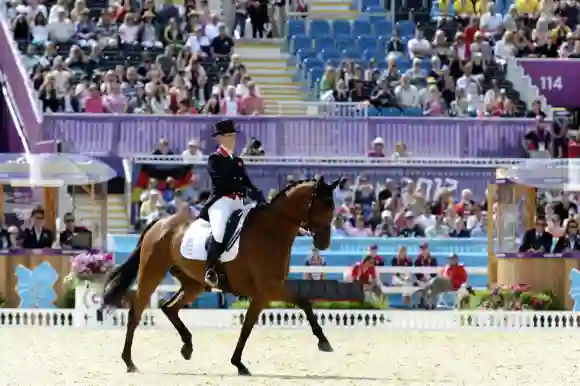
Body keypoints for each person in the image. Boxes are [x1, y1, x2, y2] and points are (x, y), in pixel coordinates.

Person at [198, 119, 266, 286]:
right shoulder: (214, 158)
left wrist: (261, 199)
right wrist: (238, 177)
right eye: (228, 137)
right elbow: (221, 182)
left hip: (239, 202)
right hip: (221, 201)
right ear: (219, 139)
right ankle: (210, 269)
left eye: (233, 137)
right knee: (220, 230)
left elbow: (248, 183)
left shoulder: (237, 160)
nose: (232, 140)